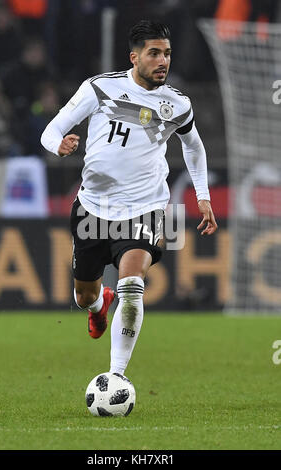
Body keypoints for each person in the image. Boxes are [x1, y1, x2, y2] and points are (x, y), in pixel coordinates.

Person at [41, 20, 217, 377]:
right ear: (134, 57)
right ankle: (98, 306)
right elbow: (53, 128)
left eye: (166, 53)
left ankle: (116, 375)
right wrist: (57, 145)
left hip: (145, 208)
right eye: (154, 53)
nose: (162, 61)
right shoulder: (100, 88)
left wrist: (203, 195)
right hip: (93, 209)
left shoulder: (177, 104)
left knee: (132, 285)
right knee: (83, 296)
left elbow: (193, 147)